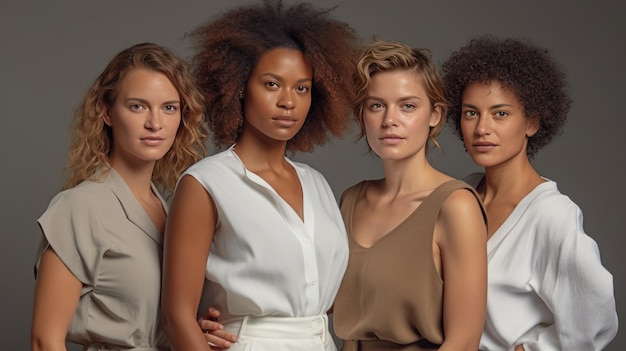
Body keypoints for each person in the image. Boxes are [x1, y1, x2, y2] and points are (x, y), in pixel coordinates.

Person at [160, 1, 360, 350]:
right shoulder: (206, 184)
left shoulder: (317, 184)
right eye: (272, 84)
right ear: (239, 87)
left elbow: (321, 296)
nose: (288, 102)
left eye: (302, 88)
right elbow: (177, 317)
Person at [441, 35, 619, 351]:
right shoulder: (460, 195)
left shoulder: (551, 215)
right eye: (471, 113)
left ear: (532, 123)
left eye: (500, 114)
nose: (482, 128)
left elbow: (595, 321)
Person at [31, 42, 208, 351]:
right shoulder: (79, 207)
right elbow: (45, 341)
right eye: (137, 106)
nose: (155, 123)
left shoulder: (169, 209)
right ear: (107, 112)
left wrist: (197, 331)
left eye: (169, 107)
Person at [332, 39, 488, 351]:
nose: (390, 120)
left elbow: (464, 342)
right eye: (377, 105)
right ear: (362, 115)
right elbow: (315, 300)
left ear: (435, 115)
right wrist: (226, 317)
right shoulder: (351, 200)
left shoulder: (456, 205)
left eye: (408, 106)